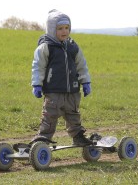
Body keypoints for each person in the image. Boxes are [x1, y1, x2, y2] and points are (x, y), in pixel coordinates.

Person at [30, 9, 93, 146]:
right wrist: (37, 84)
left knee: (73, 115)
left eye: (67, 28)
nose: (64, 31)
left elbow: (81, 65)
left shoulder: (72, 46)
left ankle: (78, 136)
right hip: (53, 91)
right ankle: (43, 139)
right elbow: (38, 67)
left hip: (72, 91)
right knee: (49, 116)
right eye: (60, 28)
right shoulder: (45, 47)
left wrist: (86, 81)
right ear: (52, 29)